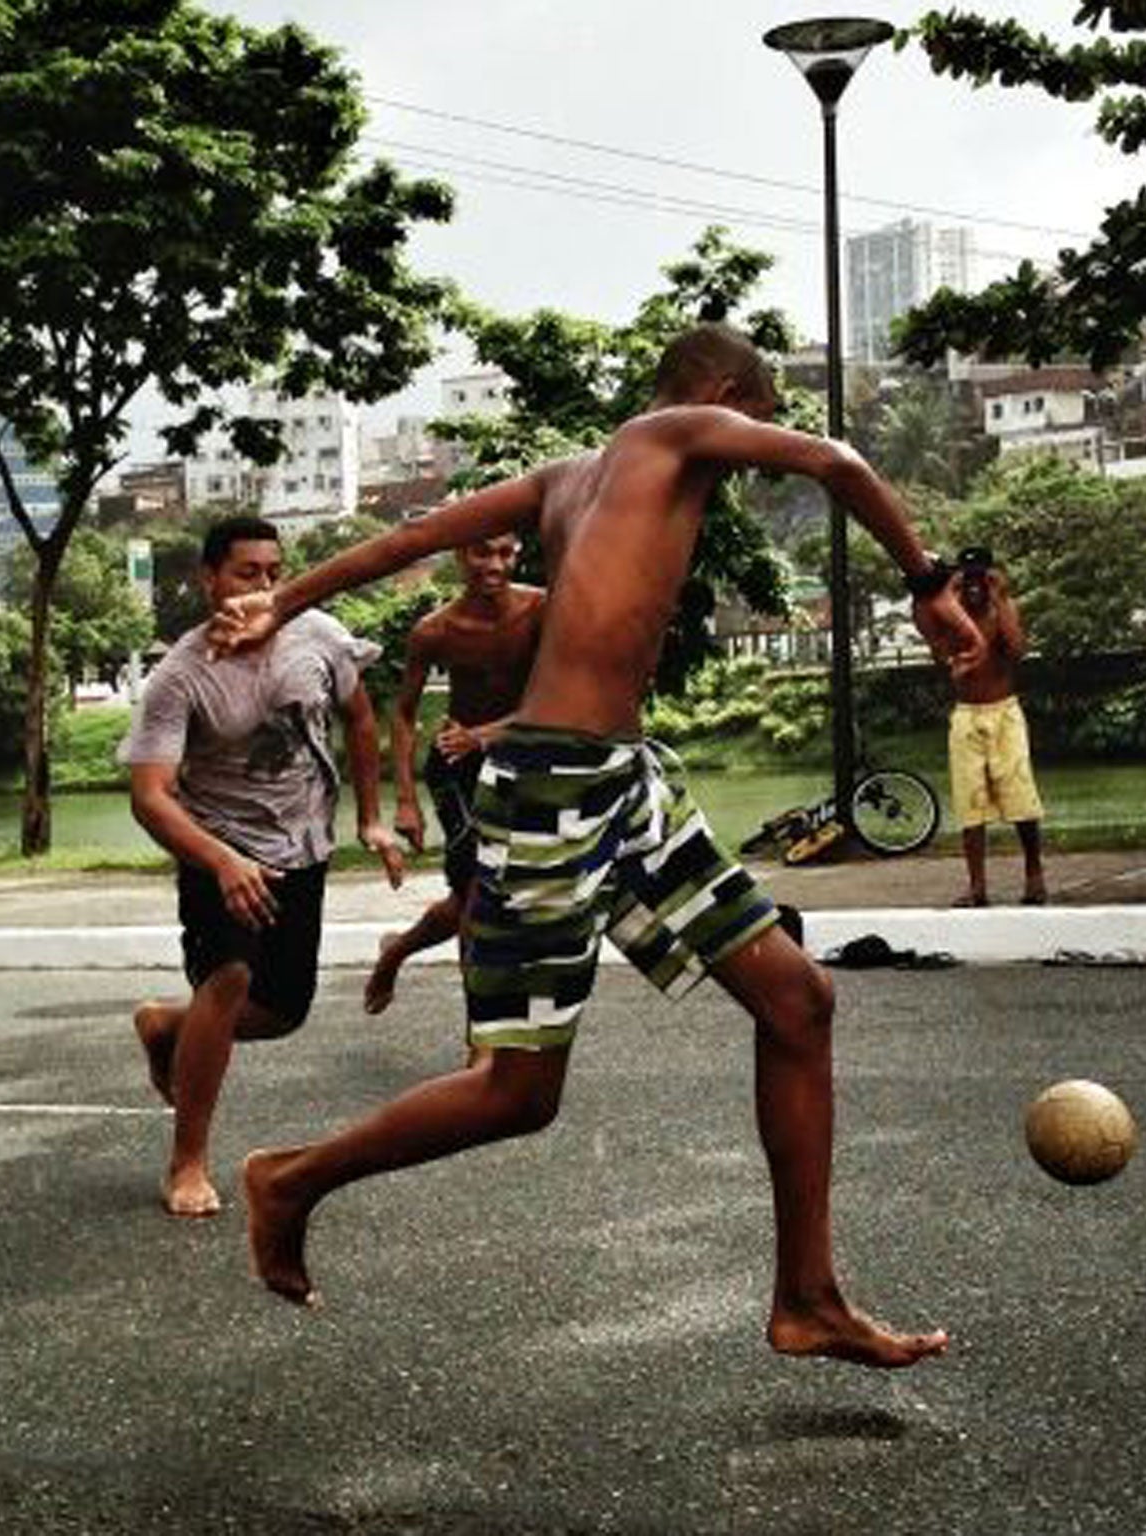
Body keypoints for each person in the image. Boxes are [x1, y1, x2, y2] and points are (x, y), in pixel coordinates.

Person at [210, 322, 980, 1369]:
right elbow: (833, 459)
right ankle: (289, 1180)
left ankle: (807, 1297)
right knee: (516, 1093)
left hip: (625, 782)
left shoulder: (566, 477)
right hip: (551, 787)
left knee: (799, 1000)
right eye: (746, 423)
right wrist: (928, 582)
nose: (738, 455)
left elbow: (403, 543)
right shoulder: (679, 430)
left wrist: (280, 604)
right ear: (723, 396)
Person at [120, 515, 406, 1218]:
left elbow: (361, 721)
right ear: (209, 579)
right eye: (248, 573)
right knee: (228, 979)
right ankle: (186, 1164)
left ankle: (167, 1028)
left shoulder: (322, 637)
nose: (266, 586)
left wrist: (370, 816)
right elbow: (151, 798)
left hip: (303, 848)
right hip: (219, 845)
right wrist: (220, 861)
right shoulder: (179, 677)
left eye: (276, 572)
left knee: (280, 1012)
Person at [361, 532, 545, 1022]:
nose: (494, 564)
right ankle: (481, 1035)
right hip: (459, 768)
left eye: (506, 552)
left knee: (480, 895)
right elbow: (402, 714)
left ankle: (397, 949)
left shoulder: (542, 610)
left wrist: (486, 733)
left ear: (518, 553)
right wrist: (404, 800)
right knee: (478, 899)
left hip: (525, 758)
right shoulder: (434, 630)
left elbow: (556, 698)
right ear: (461, 554)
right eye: (482, 551)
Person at [937, 546, 1047, 907]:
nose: (973, 585)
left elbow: (1016, 651)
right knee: (970, 801)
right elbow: (941, 653)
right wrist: (950, 597)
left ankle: (1034, 875)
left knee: (1020, 797)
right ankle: (977, 886)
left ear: (990, 578)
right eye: (965, 577)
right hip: (967, 714)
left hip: (1004, 713)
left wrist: (1000, 599)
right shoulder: (953, 615)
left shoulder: (1002, 608)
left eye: (979, 577)